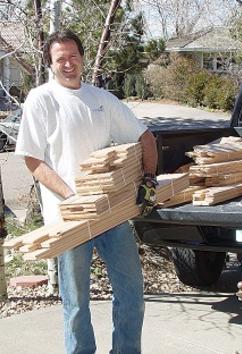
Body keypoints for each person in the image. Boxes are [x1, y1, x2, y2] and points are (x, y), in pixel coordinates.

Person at [15, 29, 158, 354]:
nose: (68, 64)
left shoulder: (101, 100)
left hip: (111, 214)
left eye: (73, 56)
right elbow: (33, 161)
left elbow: (145, 138)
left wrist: (148, 180)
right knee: (76, 304)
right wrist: (72, 196)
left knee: (132, 293)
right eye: (60, 58)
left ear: (82, 57)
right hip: (68, 219)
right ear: (50, 64)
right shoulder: (41, 99)